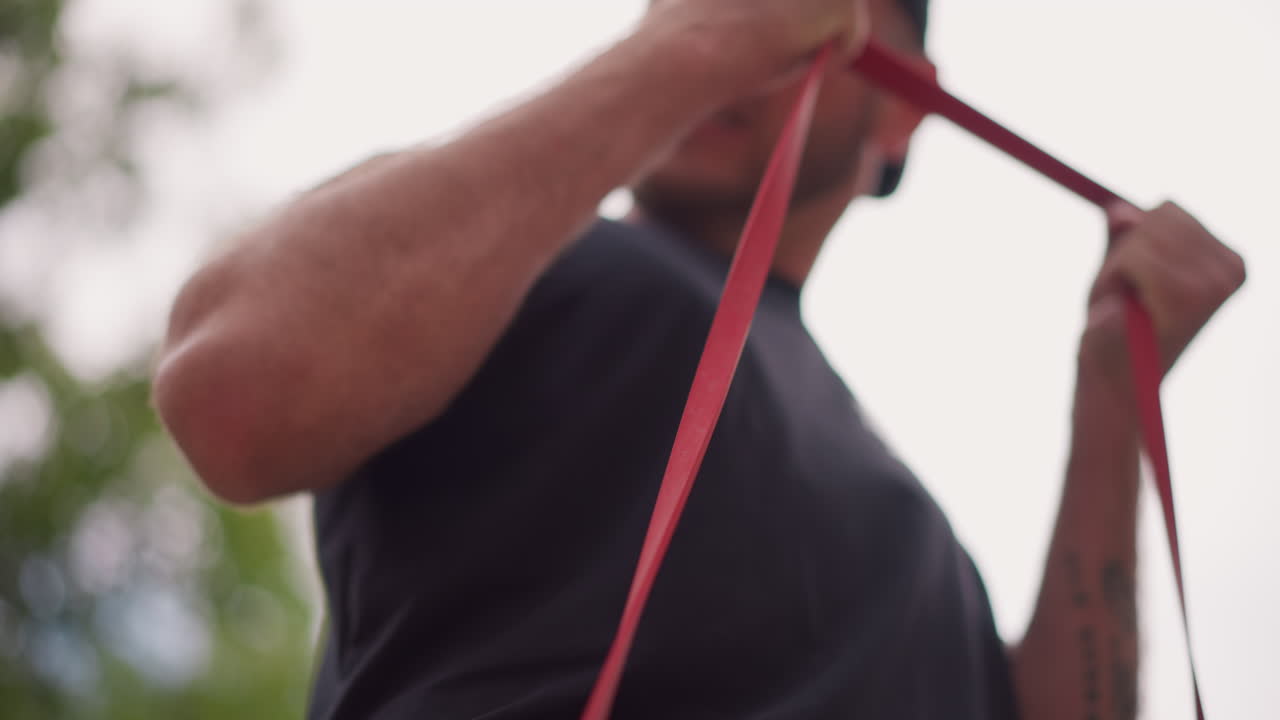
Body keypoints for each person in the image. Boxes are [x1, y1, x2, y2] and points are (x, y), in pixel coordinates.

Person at [152, 0, 1246, 717]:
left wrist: (1112, 408)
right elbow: (234, 390)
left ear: (906, 109)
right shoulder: (501, 260)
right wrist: (687, 55)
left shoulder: (922, 550)